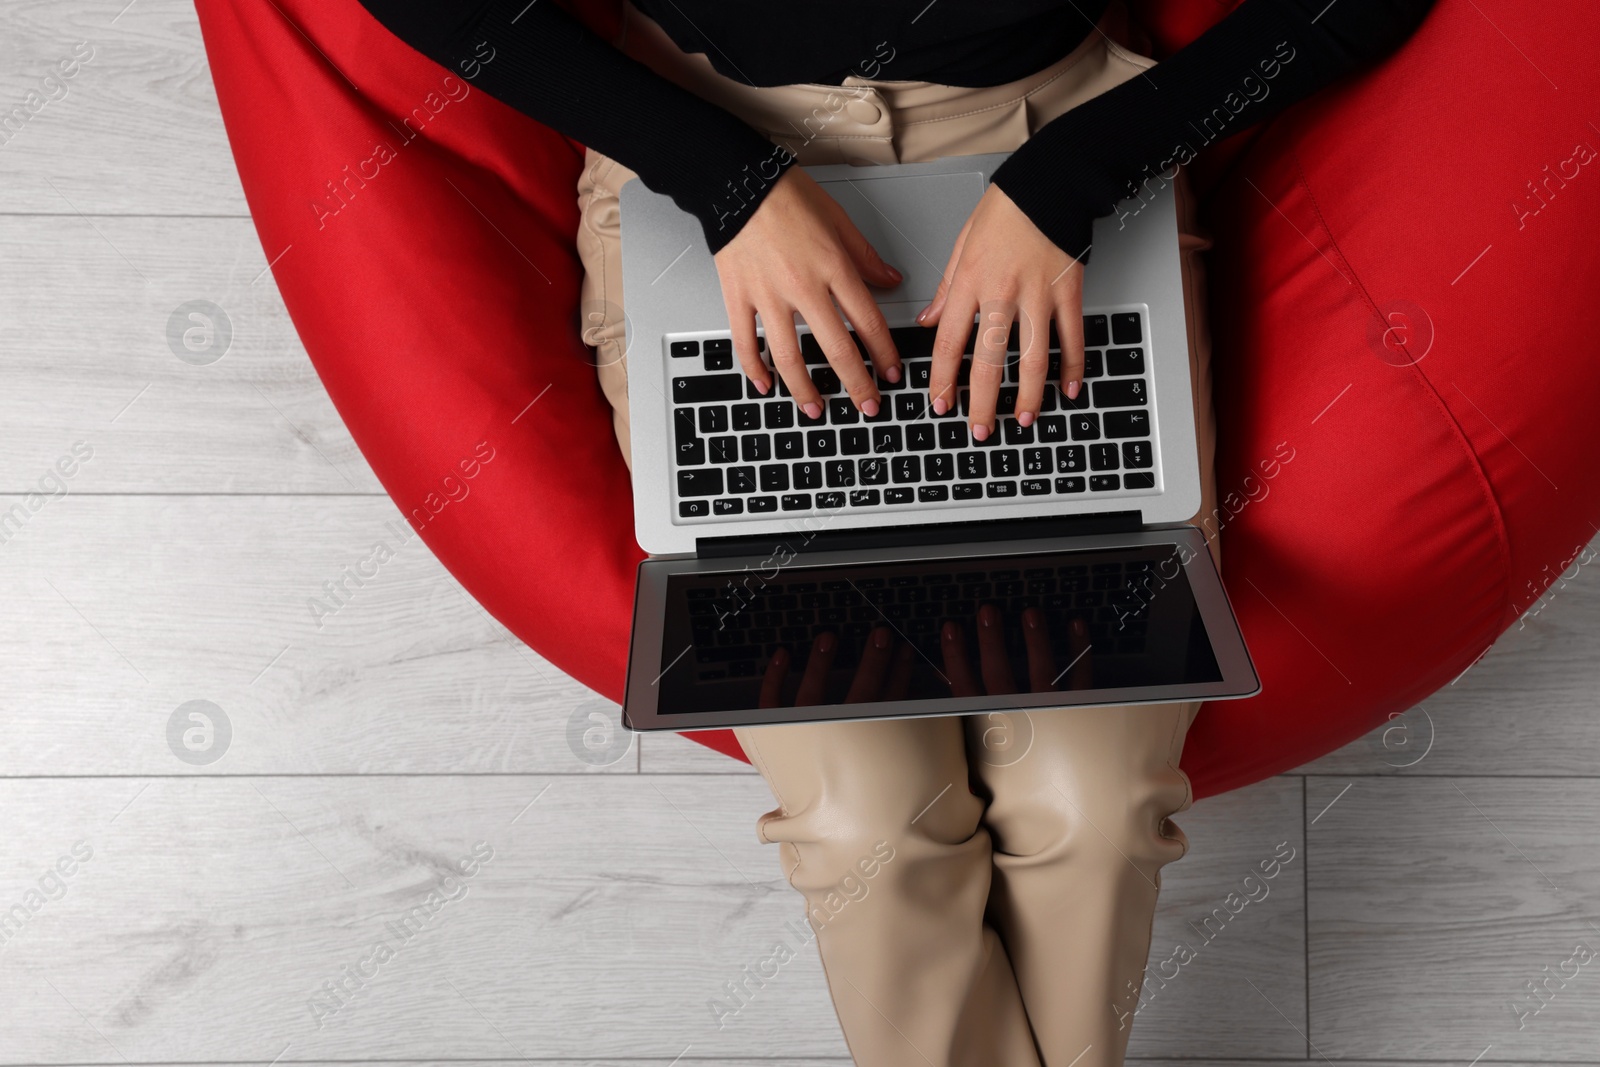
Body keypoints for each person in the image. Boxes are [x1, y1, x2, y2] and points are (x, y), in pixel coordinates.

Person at [358, 1, 1433, 1062]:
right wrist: (725, 183)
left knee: (1094, 809)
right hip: (710, 157)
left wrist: (1076, 178)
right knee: (871, 826)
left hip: (1052, 154)